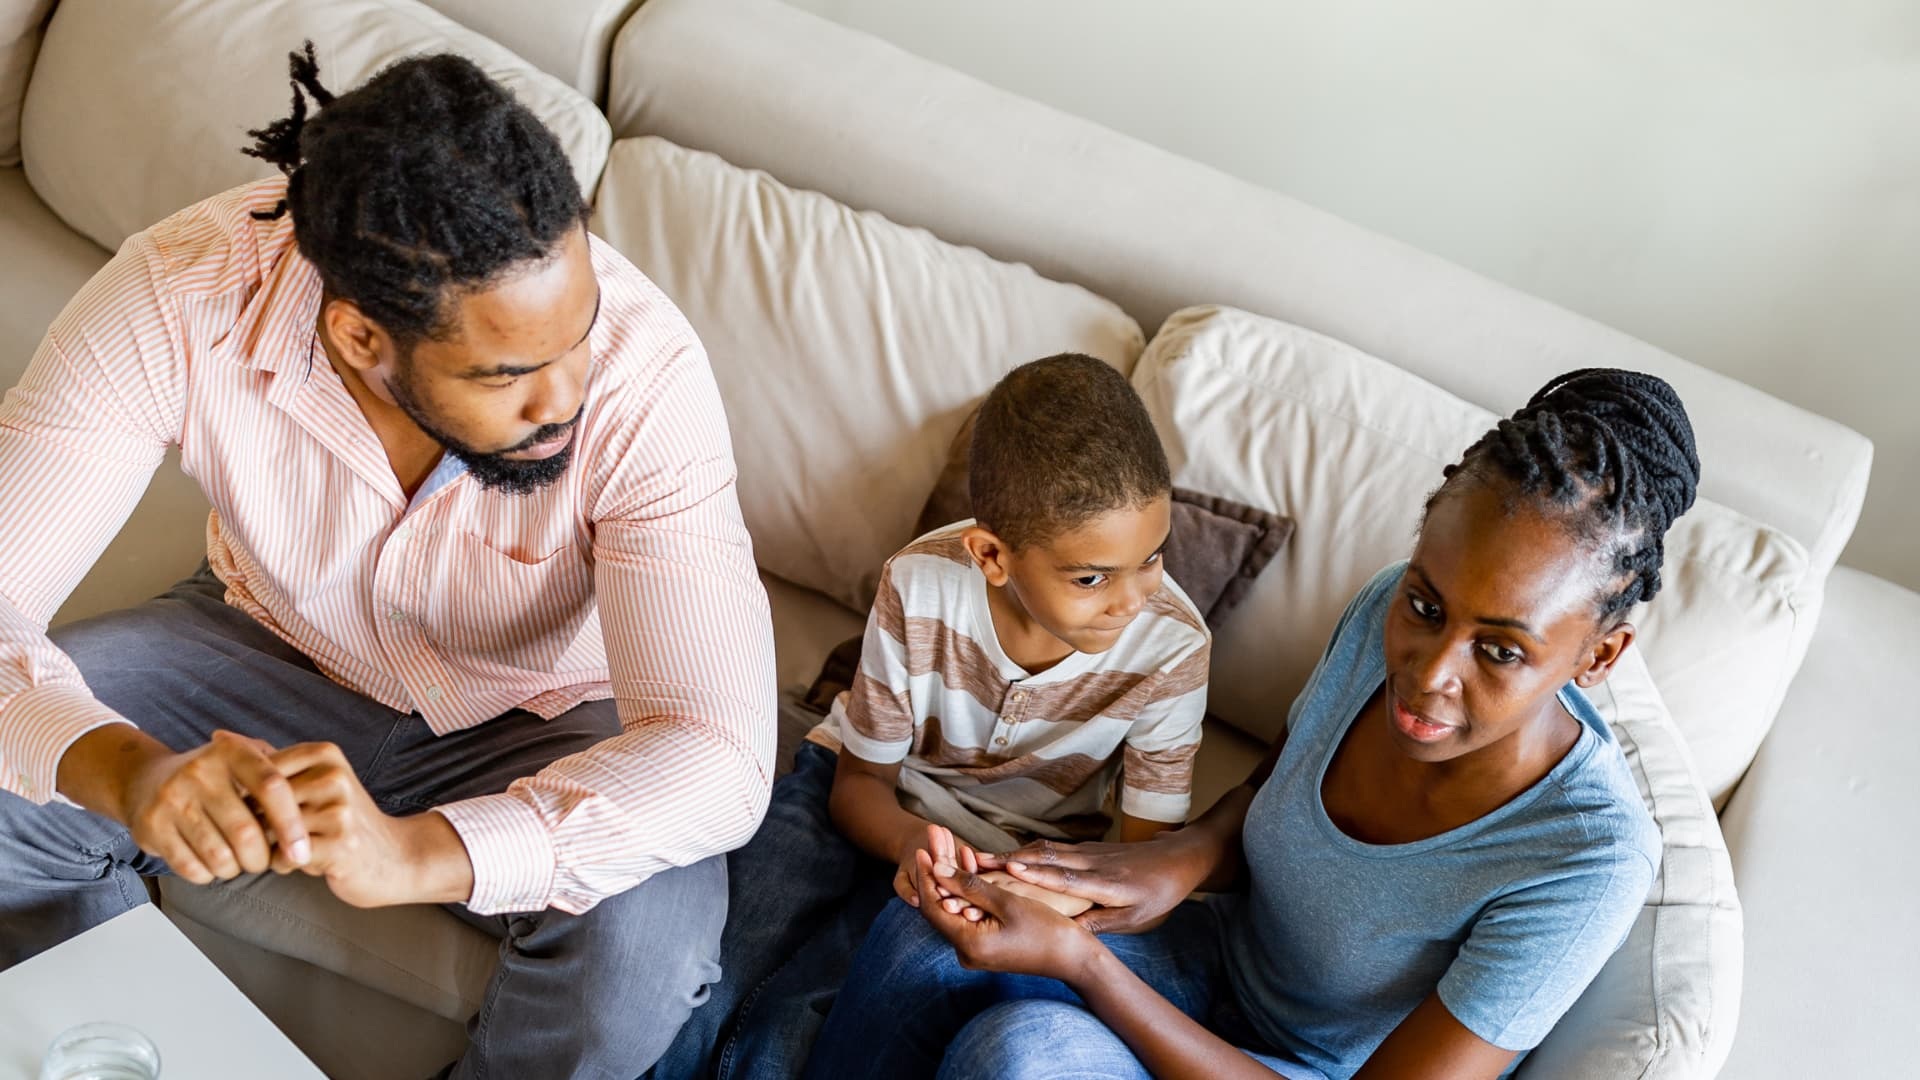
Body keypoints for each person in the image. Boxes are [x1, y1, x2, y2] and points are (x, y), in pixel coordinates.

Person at [0, 44, 776, 1079]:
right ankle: (131, 1047)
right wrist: (132, 771)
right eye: (505, 374)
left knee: (640, 966)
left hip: (545, 713)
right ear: (362, 338)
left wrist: (421, 852)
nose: (566, 398)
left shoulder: (648, 375)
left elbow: (719, 756)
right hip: (262, 644)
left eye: (579, 338)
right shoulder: (180, 288)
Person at [804, 368, 1695, 1080]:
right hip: (1211, 956)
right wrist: (1176, 859)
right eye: (1426, 607)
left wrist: (1084, 962)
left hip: (1302, 1064)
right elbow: (1274, 786)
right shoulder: (1384, 608)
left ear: (1599, 656)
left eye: (1499, 652)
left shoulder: (1587, 858)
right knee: (935, 936)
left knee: (1022, 1055)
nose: (1429, 673)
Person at [653, 354, 1212, 1080]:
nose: (1133, 599)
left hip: (1016, 852)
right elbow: (859, 786)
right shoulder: (919, 583)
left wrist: (1025, 887)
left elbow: (1142, 874)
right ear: (992, 555)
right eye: (1091, 578)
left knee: (792, 1021)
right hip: (861, 795)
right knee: (715, 965)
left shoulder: (1174, 647)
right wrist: (911, 842)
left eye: (1153, 557)